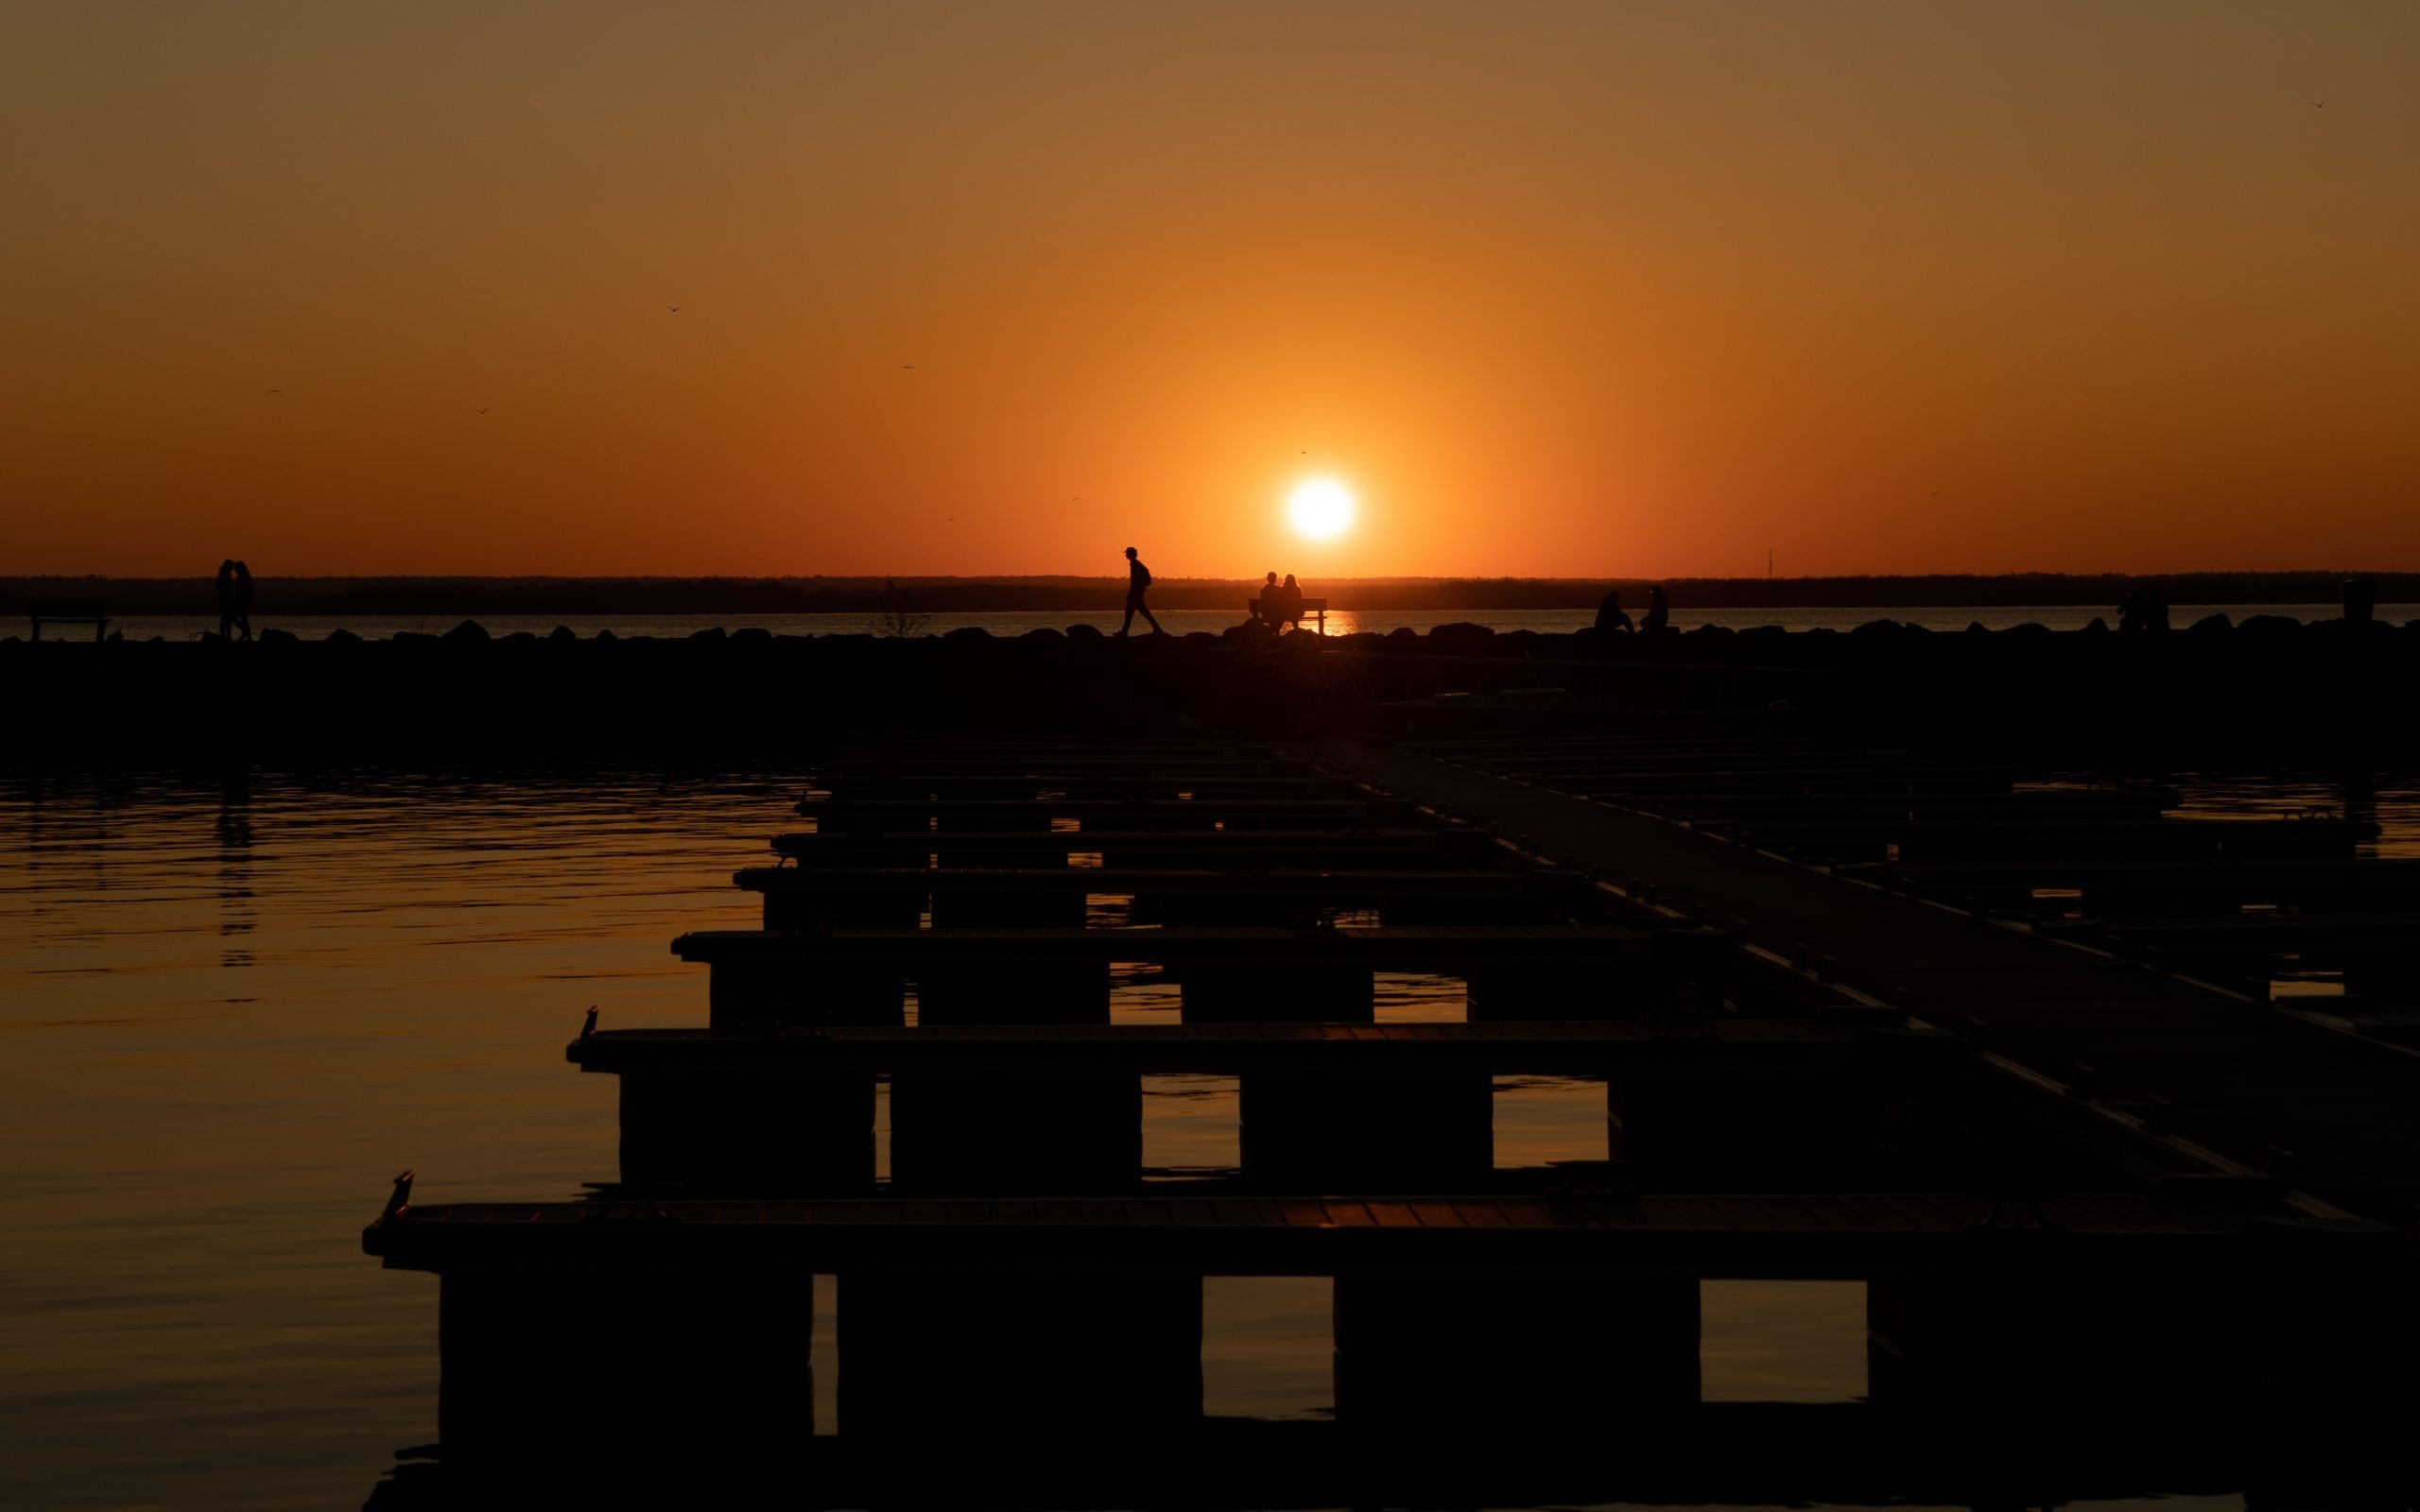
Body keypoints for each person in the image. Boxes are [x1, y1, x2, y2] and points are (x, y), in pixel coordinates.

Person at [1117, 545, 1165, 636]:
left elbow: (1135, 582)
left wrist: (1132, 593)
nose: (1126, 555)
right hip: (1137, 592)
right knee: (1143, 612)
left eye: (1127, 553)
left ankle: (1124, 631)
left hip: (1136, 593)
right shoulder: (1135, 564)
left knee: (1130, 612)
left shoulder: (1136, 565)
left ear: (1131, 555)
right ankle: (1157, 628)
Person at [233, 560, 256, 642]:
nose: (235, 570)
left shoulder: (244, 578)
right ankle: (248, 635)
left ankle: (245, 632)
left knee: (234, 616)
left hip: (242, 601)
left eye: (236, 568)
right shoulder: (242, 578)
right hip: (242, 600)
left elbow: (248, 588)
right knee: (243, 618)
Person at [215, 560, 238, 639]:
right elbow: (218, 586)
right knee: (225, 618)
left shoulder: (226, 574)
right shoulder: (223, 575)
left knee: (227, 618)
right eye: (231, 566)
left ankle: (227, 635)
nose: (233, 568)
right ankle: (224, 635)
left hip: (228, 599)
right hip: (224, 599)